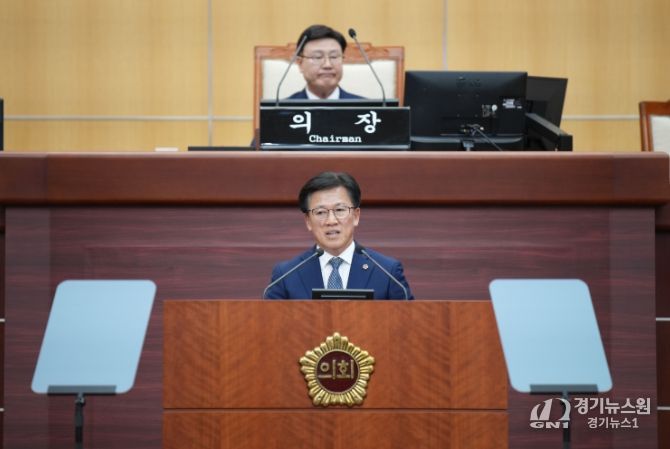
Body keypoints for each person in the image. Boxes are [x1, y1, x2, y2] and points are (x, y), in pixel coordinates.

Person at [264, 171, 413, 300]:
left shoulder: (387, 272)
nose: (331, 221)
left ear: (356, 216)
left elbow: (409, 320)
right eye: (320, 212)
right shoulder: (286, 275)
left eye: (340, 210)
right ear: (308, 221)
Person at [287, 24, 364, 100]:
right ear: (300, 63)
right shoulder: (284, 107)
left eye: (334, 56)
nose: (327, 65)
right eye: (318, 57)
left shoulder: (364, 107)